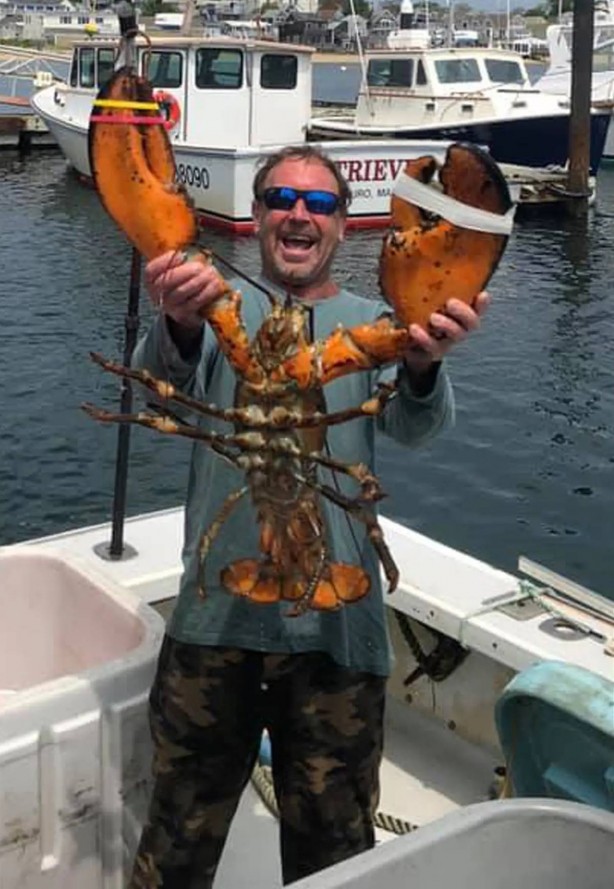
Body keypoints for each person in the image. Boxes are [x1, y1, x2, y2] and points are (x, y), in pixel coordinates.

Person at [128, 145, 488, 889]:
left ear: (342, 224)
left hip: (336, 638)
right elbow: (162, 392)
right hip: (213, 628)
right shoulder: (216, 298)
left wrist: (422, 361)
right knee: (173, 852)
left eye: (318, 204)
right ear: (257, 217)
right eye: (282, 199)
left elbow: (415, 429)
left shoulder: (377, 321)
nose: (299, 214)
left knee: (335, 864)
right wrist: (180, 321)